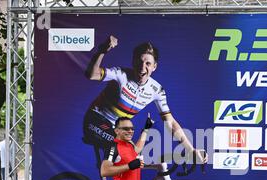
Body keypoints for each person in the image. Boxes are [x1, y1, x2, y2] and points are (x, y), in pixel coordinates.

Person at [84, 35, 207, 165]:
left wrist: (190, 149)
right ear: (133, 62)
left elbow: (170, 123)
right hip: (96, 120)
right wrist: (102, 50)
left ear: (154, 67)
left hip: (117, 129)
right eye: (139, 62)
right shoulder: (121, 74)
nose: (143, 67)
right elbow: (91, 74)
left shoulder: (156, 90)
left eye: (148, 63)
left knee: (137, 157)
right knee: (127, 155)